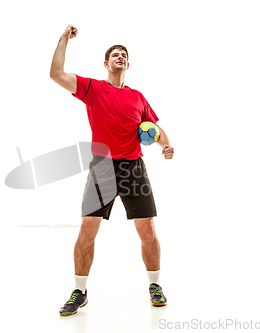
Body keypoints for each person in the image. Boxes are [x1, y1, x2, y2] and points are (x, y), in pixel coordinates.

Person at [50, 24, 175, 316]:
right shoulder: (93, 89)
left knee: (147, 231)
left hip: (134, 169)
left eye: (124, 55)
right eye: (115, 54)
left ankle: (155, 285)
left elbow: (154, 128)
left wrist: (166, 145)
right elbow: (56, 74)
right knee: (87, 230)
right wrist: (62, 40)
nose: (120, 57)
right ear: (106, 63)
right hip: (102, 169)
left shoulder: (138, 97)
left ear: (128, 64)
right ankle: (79, 291)